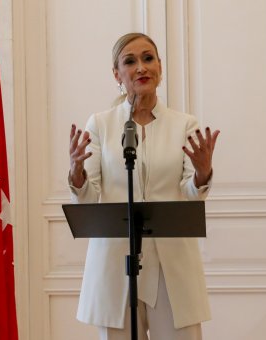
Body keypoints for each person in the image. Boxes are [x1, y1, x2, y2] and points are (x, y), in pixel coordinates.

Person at [68, 33, 220, 340]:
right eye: (130, 61)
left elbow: (189, 194)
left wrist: (202, 174)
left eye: (148, 58)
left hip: (172, 265)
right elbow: (90, 194)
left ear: (160, 68)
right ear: (117, 74)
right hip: (116, 263)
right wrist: (76, 171)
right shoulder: (100, 124)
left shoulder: (184, 124)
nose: (141, 68)